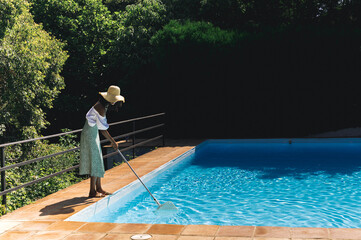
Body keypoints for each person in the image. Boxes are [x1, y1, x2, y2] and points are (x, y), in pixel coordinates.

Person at [79, 85, 125, 197]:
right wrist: (113, 142)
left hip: (92, 132)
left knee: (98, 159)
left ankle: (98, 188)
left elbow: (101, 128)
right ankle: (92, 191)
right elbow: (103, 130)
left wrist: (112, 141)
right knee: (95, 160)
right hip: (89, 134)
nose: (115, 102)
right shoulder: (100, 108)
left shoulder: (103, 106)